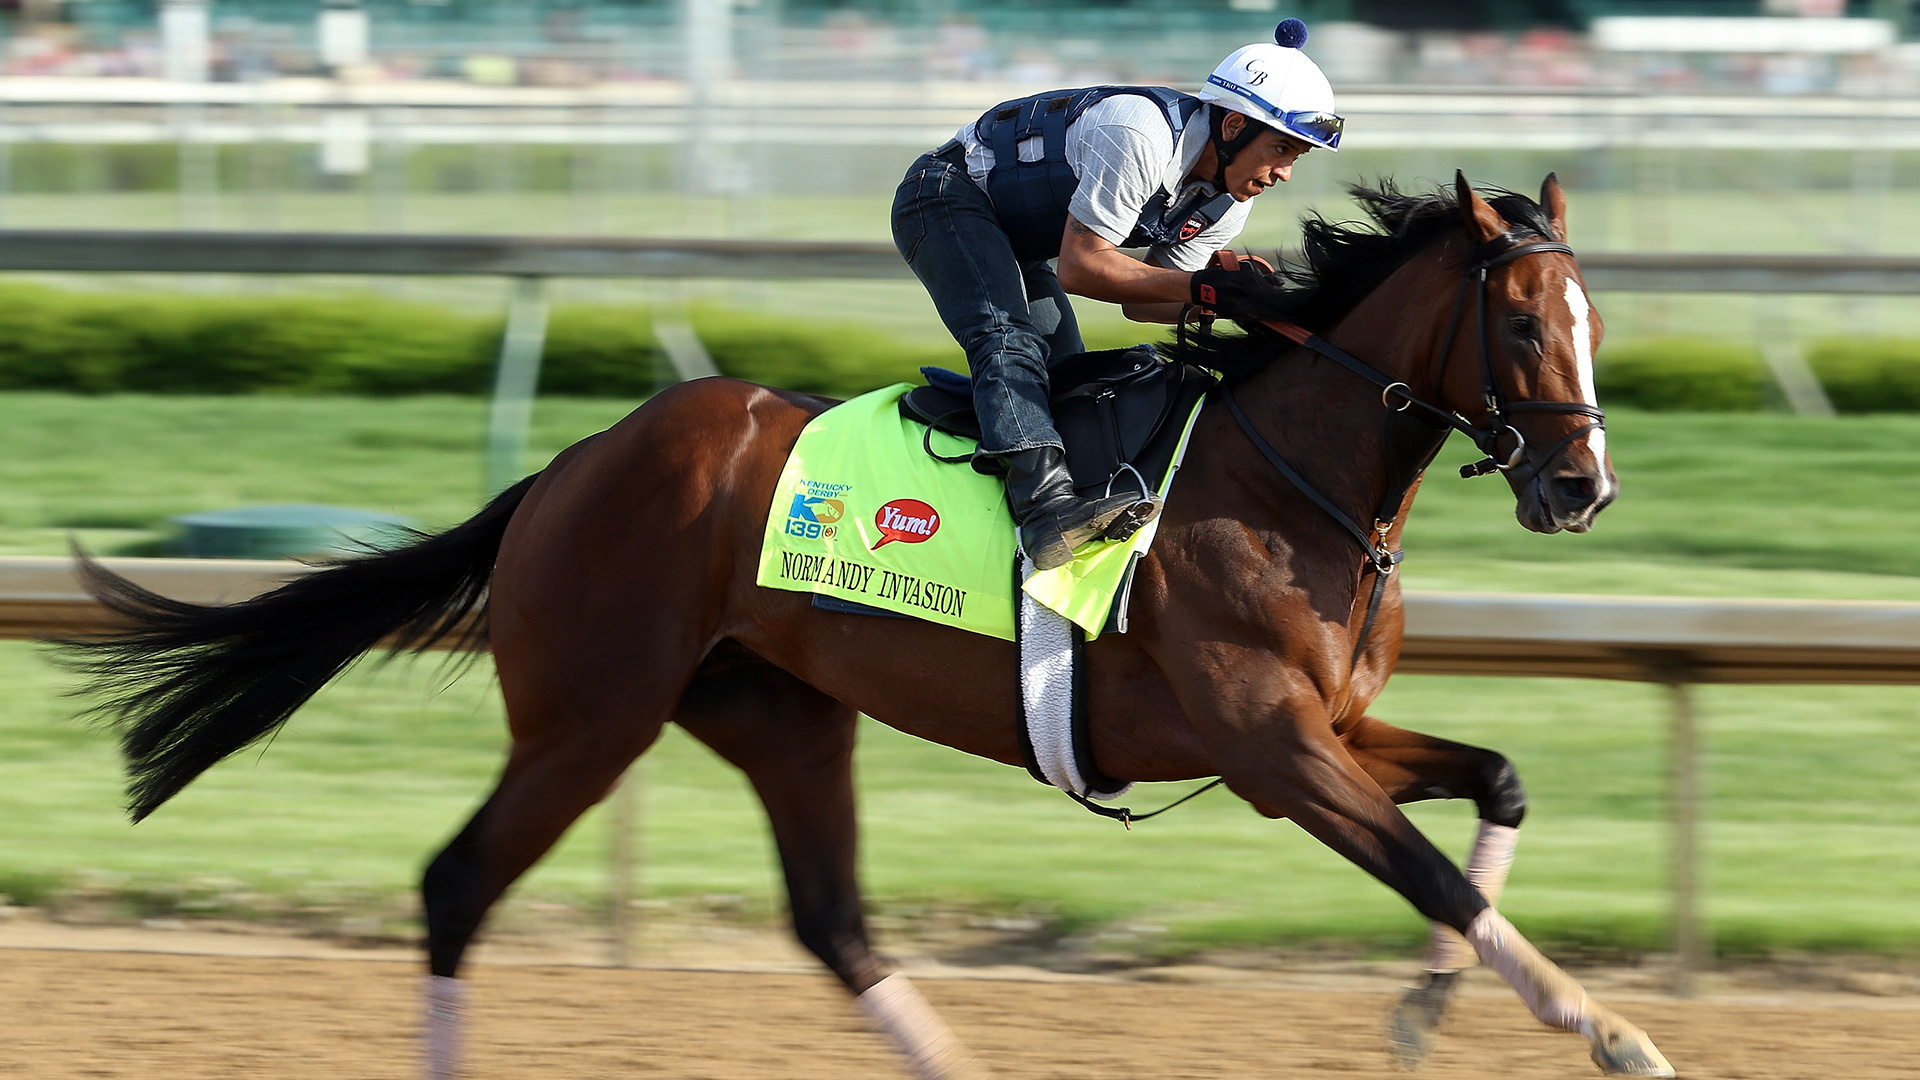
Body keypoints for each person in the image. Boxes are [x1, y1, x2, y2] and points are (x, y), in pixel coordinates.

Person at [891, 19, 1343, 570]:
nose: (1284, 173)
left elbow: (1144, 302)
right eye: (1281, 149)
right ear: (1231, 127)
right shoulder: (1138, 135)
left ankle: (1036, 510)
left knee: (1069, 375)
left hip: (1015, 241)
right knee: (1008, 341)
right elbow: (1081, 270)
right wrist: (1203, 286)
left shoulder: (1226, 201)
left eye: (1297, 157)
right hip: (942, 196)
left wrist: (1230, 302)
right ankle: (1044, 512)